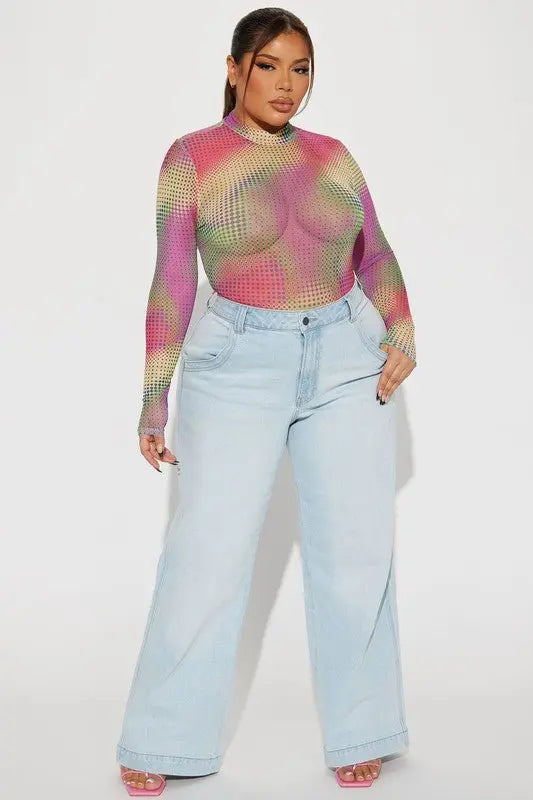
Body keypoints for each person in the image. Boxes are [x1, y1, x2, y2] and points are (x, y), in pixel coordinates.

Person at [116, 7, 417, 795]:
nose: (287, 85)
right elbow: (173, 281)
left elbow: (374, 254)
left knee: (356, 552)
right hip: (236, 365)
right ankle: (162, 735)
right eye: (269, 66)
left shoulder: (332, 156)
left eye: (301, 69)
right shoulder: (192, 159)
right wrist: (153, 398)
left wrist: (401, 329)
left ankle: (363, 728)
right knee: (206, 552)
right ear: (234, 69)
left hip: (346, 359)